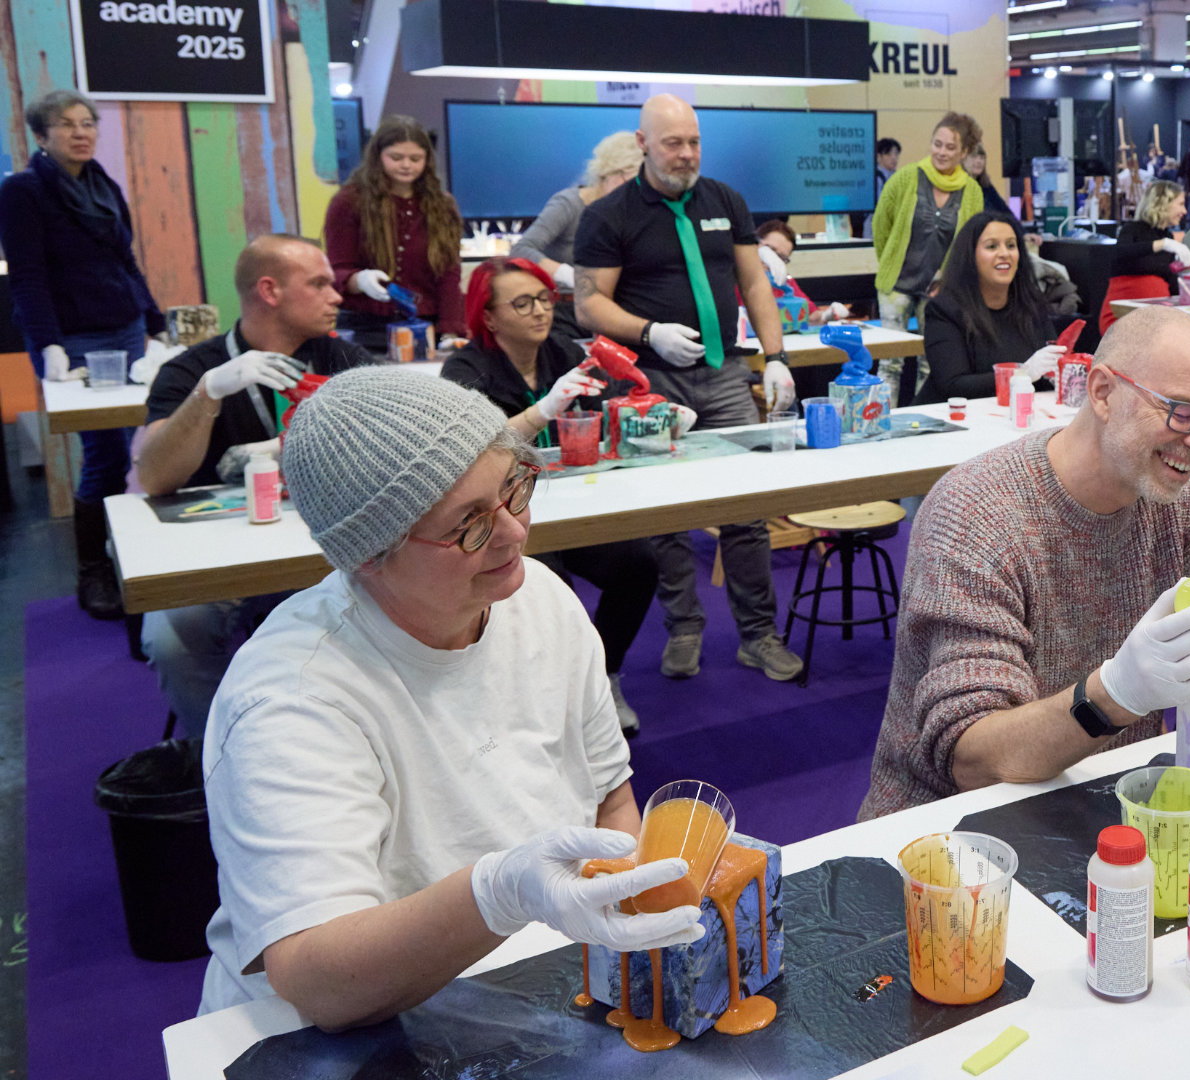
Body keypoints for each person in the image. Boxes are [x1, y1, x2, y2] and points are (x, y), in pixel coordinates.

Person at [197, 367, 707, 1020]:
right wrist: (496, 896)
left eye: (513, 489)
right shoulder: (293, 700)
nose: (515, 534)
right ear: (368, 555)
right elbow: (316, 981)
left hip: (531, 980)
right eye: (469, 524)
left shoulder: (539, 599)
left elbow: (610, 797)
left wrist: (623, 919)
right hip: (351, 1027)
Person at [856, 306, 1190, 817]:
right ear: (1101, 392)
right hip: (945, 834)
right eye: (1183, 413)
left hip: (1101, 805)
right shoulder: (977, 514)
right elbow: (973, 758)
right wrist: (1113, 696)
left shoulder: (1180, 510)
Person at [571, 93, 802, 683]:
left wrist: (775, 358)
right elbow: (588, 304)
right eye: (673, 142)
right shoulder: (611, 214)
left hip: (725, 374)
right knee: (666, 516)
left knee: (745, 508)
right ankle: (685, 628)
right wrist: (649, 330)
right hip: (652, 381)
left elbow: (754, 283)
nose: (686, 153)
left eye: (694, 141)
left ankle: (758, 635)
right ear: (644, 143)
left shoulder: (725, 200)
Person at [135, 235, 381, 737]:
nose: (337, 297)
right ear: (269, 290)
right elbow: (155, 476)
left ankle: (361, 740)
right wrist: (209, 394)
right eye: (319, 284)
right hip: (220, 552)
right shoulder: (192, 371)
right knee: (170, 635)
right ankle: (224, 751)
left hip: (325, 545)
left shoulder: (343, 360)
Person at [441, 257, 684, 734]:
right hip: (501, 516)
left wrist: (653, 416)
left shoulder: (564, 352)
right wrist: (541, 411)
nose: (540, 311)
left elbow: (600, 421)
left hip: (574, 502)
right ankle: (551, 697)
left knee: (637, 564)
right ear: (488, 317)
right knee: (547, 589)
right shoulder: (466, 367)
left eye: (545, 299)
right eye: (523, 303)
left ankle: (602, 676)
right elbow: (467, 448)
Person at [0, 89, 169, 618]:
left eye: (88, 123)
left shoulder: (102, 185)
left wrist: (156, 322)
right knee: (106, 454)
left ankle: (128, 559)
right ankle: (94, 573)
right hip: (72, 338)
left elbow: (126, 261)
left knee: (131, 443)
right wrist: (48, 344)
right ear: (42, 135)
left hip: (123, 326)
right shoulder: (23, 191)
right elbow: (27, 275)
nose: (81, 132)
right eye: (67, 125)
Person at [324, 115, 466, 341]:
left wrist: (450, 330)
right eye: (396, 157)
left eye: (415, 158)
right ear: (378, 157)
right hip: (364, 326)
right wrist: (359, 280)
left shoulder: (443, 205)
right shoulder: (349, 202)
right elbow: (335, 270)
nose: (406, 165)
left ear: (427, 160)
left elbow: (449, 275)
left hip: (423, 326)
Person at [916, 212, 1060, 405]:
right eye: (992, 246)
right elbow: (952, 385)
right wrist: (1023, 373)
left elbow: (1047, 373)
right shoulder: (944, 310)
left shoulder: (1032, 305)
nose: (1004, 253)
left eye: (1011, 245)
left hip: (1016, 417)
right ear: (970, 256)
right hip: (954, 422)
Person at [510, 131, 643, 340]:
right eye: (630, 182)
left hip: (607, 309)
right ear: (608, 174)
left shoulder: (628, 212)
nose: (633, 193)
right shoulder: (568, 204)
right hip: (561, 311)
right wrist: (570, 276)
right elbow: (521, 250)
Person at [872, 112, 985, 332]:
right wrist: (891, 260)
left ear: (963, 152)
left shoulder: (972, 192)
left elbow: (970, 243)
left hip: (940, 288)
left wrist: (950, 279)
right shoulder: (905, 177)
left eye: (950, 147)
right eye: (937, 144)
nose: (941, 152)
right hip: (896, 285)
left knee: (932, 360)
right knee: (890, 362)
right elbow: (880, 226)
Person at [1100, 180, 1190, 330]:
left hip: (1156, 317)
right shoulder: (1132, 229)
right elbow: (1121, 253)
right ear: (1163, 203)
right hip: (1123, 317)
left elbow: (1168, 278)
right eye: (1181, 204)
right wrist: (1161, 244)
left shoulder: (1167, 236)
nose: (1185, 211)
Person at [752, 219, 850, 327]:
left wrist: (827, 315)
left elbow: (811, 315)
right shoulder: (734, 276)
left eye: (782, 257)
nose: (773, 258)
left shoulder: (784, 283)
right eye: (769, 249)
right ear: (755, 243)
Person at [962, 143, 1013, 219]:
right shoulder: (958, 186)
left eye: (982, 158)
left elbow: (1006, 213)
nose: (979, 161)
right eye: (974, 157)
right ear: (964, 160)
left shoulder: (986, 186)